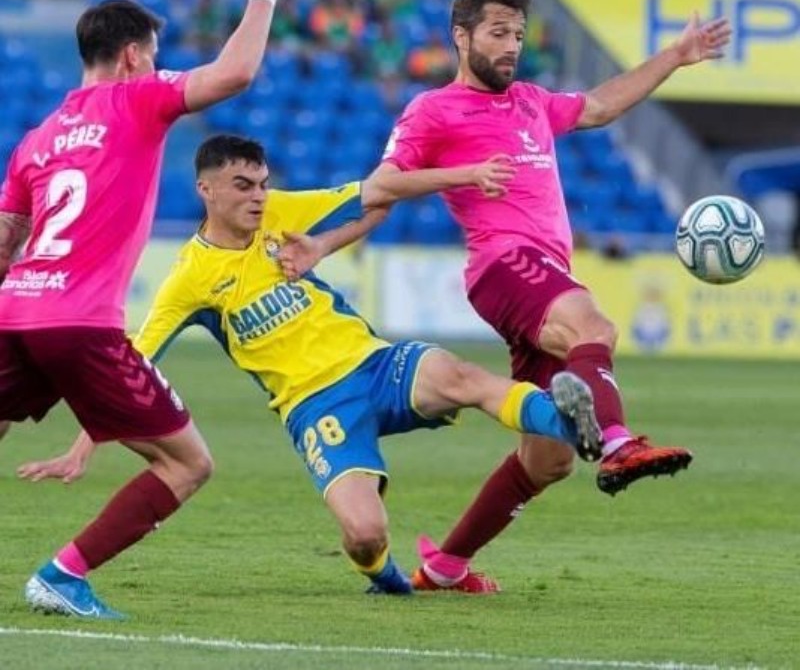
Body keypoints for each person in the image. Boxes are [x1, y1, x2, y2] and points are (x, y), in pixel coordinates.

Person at [275, 0, 731, 592]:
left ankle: (444, 566)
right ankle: (619, 441)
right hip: (503, 266)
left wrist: (675, 57)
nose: (512, 45)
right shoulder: (433, 110)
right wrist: (328, 241)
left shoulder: (531, 101)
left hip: (542, 272)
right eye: (497, 32)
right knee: (594, 327)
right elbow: (381, 188)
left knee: (547, 460)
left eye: (518, 33)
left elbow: (599, 106)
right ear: (461, 37)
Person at [17, 135, 603, 595]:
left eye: (263, 185)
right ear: (206, 190)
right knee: (365, 532)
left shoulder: (280, 214)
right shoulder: (189, 280)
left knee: (461, 376)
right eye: (243, 185)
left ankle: (569, 421)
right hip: (315, 408)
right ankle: (386, 578)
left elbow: (377, 191)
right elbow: (134, 362)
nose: (257, 197)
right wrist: (89, 439)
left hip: (373, 363)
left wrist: (466, 175)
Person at [0, 0, 284, 619]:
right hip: (81, 323)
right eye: (153, 56)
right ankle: (64, 575)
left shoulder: (38, 138)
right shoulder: (138, 99)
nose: (157, 68)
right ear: (132, 56)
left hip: (16, 313)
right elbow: (236, 72)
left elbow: (4, 243)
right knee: (188, 464)